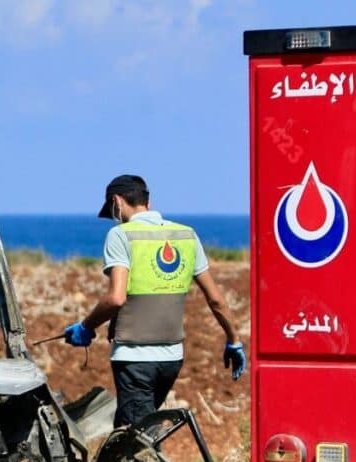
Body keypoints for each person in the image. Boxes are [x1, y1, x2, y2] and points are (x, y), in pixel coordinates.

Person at [65, 174, 246, 430]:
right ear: (147, 202)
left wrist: (86, 327)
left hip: (135, 358)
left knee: (138, 441)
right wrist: (233, 340)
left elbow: (116, 298)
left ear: (117, 201)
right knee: (132, 428)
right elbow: (216, 299)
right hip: (171, 359)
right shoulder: (186, 235)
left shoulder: (121, 236)